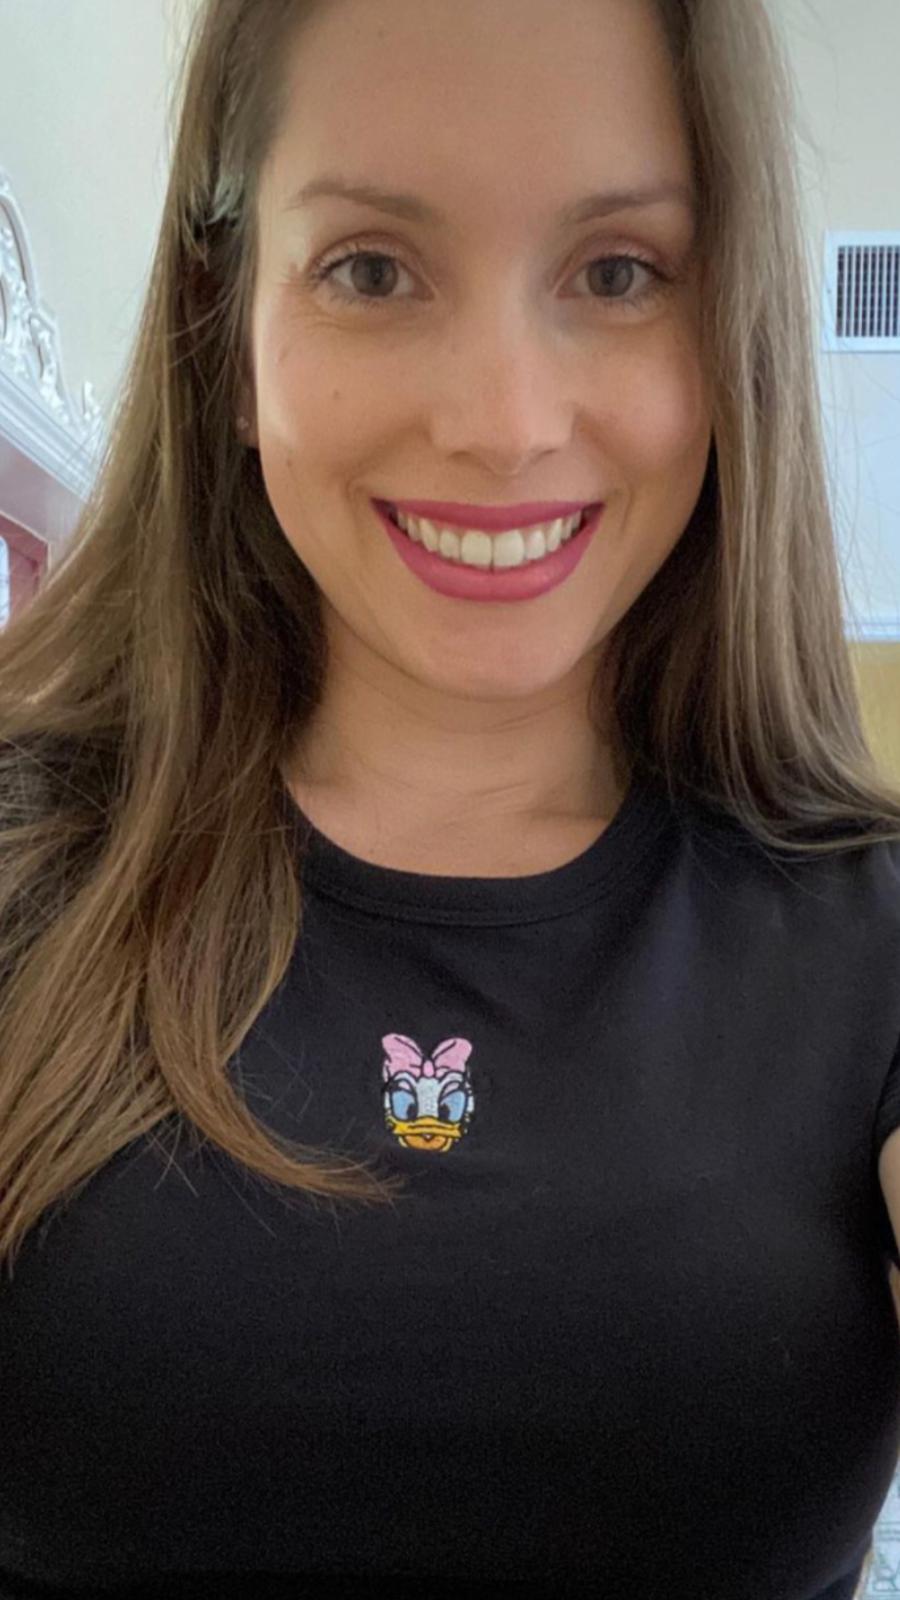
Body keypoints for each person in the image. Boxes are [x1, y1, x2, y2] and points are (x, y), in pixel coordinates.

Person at [0, 0, 897, 1595]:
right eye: (371, 270)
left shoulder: (871, 934)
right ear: (228, 331)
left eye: (617, 272)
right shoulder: (22, 870)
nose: (503, 423)